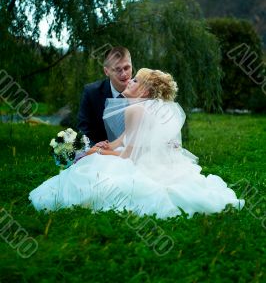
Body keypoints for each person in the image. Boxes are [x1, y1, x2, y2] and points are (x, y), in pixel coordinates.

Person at [29, 69, 245, 219]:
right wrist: (107, 146)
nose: (128, 81)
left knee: (89, 170)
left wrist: (100, 153)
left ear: (144, 91)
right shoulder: (141, 109)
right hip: (140, 158)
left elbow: (129, 157)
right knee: (94, 158)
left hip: (136, 163)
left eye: (134, 81)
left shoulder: (135, 109)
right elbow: (124, 141)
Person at [77, 46, 132, 145]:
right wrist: (97, 148)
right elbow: (83, 131)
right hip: (99, 155)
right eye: (118, 69)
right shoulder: (91, 93)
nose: (124, 74)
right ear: (106, 71)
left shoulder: (143, 92)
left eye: (127, 68)